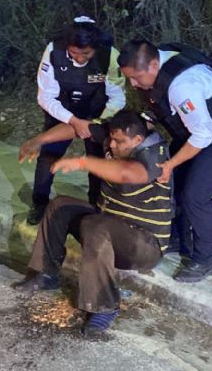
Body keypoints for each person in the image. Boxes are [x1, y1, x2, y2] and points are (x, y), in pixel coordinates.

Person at [14, 110, 171, 335]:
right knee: (60, 206)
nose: (113, 145)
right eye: (112, 139)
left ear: (137, 139)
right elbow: (78, 127)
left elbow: (129, 174)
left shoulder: (156, 153)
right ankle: (46, 275)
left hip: (144, 245)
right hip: (109, 223)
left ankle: (105, 306)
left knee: (96, 226)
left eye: (119, 142)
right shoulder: (112, 137)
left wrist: (83, 162)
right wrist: (38, 140)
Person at [117, 39, 212, 283]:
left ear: (153, 65)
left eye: (135, 77)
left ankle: (205, 260)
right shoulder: (159, 62)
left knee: (195, 196)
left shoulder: (183, 86)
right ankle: (179, 239)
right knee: (175, 185)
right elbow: (162, 107)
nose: (133, 84)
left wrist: (171, 163)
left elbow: (203, 134)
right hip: (194, 131)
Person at [27, 16, 126, 225]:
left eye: (86, 54)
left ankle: (95, 207)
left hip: (98, 112)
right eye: (74, 53)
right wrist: (72, 120)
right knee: (48, 157)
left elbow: (117, 97)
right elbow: (45, 96)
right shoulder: (53, 51)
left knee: (97, 161)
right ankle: (39, 203)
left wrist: (97, 123)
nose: (80, 59)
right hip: (62, 109)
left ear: (95, 48)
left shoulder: (109, 55)